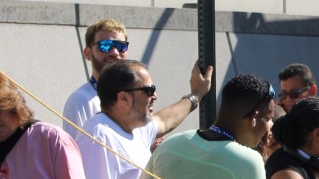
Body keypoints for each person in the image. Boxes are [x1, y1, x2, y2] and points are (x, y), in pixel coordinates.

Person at [80, 59, 215, 179]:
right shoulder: (99, 135)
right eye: (149, 90)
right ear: (124, 98)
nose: (155, 96)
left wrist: (196, 94)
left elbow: (165, 120)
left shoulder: (135, 127)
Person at [130, 73, 273, 179]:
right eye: (268, 118)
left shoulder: (169, 144)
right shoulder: (249, 161)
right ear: (253, 118)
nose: (270, 126)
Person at [62, 17, 212, 145]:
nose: (115, 52)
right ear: (87, 53)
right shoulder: (81, 100)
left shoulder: (132, 96)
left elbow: (162, 122)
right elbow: (74, 155)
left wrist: (196, 95)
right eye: (105, 46)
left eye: (121, 46)